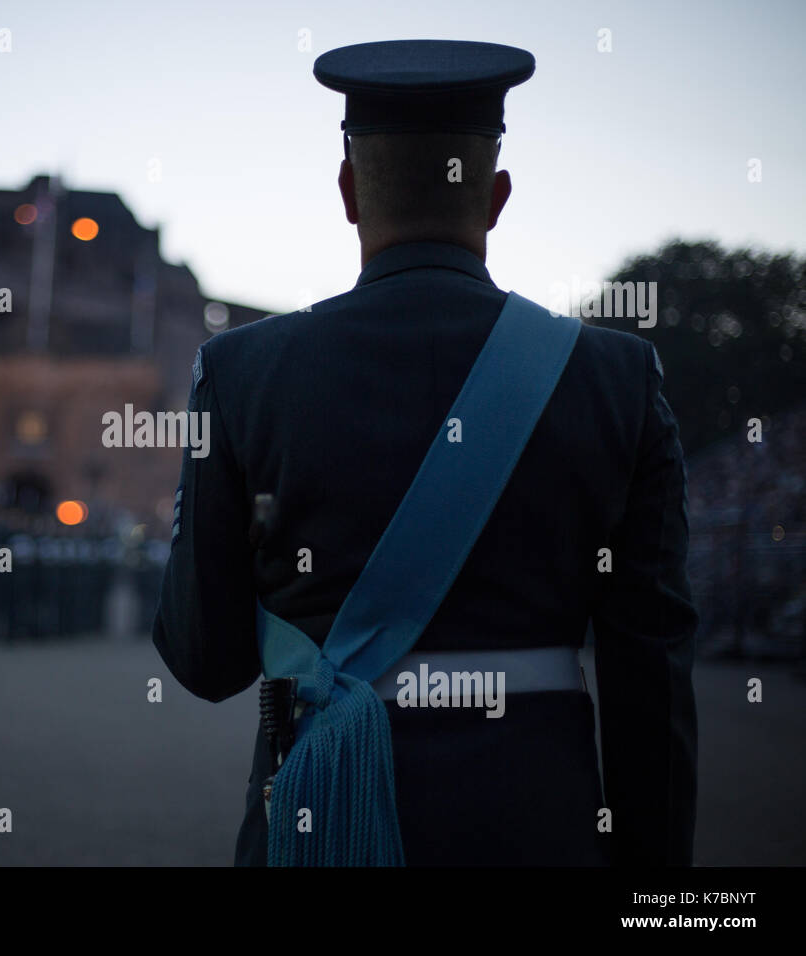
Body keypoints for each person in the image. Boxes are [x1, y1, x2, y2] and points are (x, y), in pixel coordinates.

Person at [152, 39, 697, 867]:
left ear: (347, 194)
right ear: (498, 197)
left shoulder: (242, 371)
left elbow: (204, 657)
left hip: (322, 821)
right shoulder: (614, 377)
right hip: (537, 826)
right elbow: (648, 683)